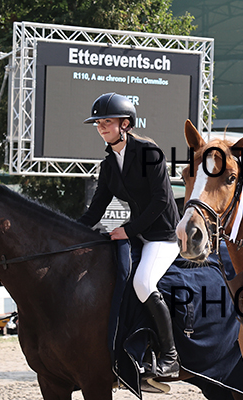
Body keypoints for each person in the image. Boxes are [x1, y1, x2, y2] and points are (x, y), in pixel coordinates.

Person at [78, 92, 181, 378]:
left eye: (106, 122)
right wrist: (71, 232)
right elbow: (96, 208)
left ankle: (171, 357)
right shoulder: (109, 164)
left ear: (125, 124)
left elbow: (161, 200)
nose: (101, 128)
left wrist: (128, 230)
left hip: (163, 235)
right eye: (98, 124)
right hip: (139, 232)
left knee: (143, 283)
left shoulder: (149, 152)